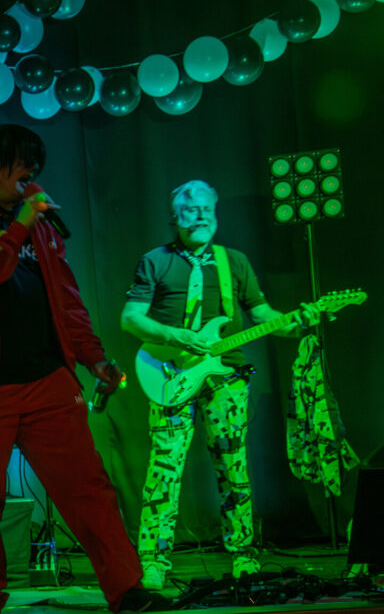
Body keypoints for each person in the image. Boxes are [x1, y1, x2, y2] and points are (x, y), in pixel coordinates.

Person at [0, 124, 162, 613]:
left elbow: (67, 300)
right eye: (22, 160)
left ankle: (126, 588)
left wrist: (93, 356)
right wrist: (18, 226)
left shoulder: (41, 226)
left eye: (35, 162)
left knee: (88, 487)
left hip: (47, 381)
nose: (32, 169)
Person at [121, 179, 320, 590]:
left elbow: (263, 314)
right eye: (191, 210)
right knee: (164, 468)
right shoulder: (155, 261)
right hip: (170, 374)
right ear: (175, 216)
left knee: (233, 466)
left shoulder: (234, 262)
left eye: (208, 209)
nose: (201, 216)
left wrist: (295, 324)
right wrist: (175, 336)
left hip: (227, 376)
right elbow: (131, 318)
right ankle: (153, 560)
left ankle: (243, 553)